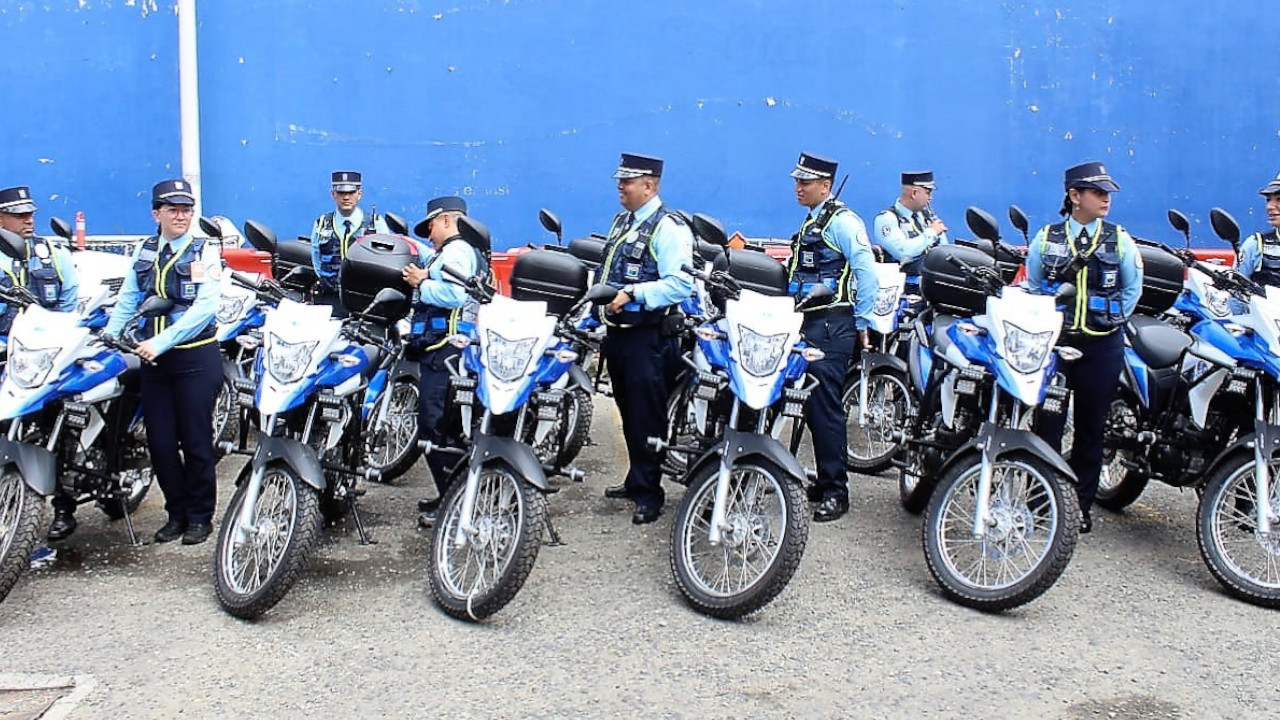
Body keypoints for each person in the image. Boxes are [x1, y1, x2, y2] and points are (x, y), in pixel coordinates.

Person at [1026, 161, 1143, 534]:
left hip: (1102, 347)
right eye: (1097, 192)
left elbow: (1132, 288)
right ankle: (1040, 503)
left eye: (1108, 193)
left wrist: (1108, 321)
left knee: (1092, 429)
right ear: (1074, 196)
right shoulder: (1046, 237)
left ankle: (1079, 506)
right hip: (1056, 347)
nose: (1106, 199)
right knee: (1047, 426)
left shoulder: (1119, 238)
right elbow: (1034, 285)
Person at [104, 179, 223, 545]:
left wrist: (162, 341)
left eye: (187, 210)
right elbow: (129, 297)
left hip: (195, 357)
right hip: (154, 362)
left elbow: (205, 308)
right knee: (160, 442)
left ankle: (200, 517)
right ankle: (176, 513)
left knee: (196, 441)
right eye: (173, 210)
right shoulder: (144, 250)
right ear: (157, 214)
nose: (181, 217)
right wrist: (111, 334)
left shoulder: (204, 251)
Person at [598, 152, 693, 525]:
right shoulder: (622, 221)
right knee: (628, 412)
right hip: (619, 335)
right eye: (620, 181)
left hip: (649, 338)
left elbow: (680, 284)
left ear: (649, 185)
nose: (620, 187)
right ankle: (636, 478)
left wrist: (634, 293)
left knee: (648, 416)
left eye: (628, 181)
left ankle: (651, 494)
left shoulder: (668, 228)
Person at [786, 153, 878, 522]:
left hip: (832, 325)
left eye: (805, 182)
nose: (798, 187)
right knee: (811, 407)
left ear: (826, 186)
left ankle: (836, 492)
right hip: (810, 321)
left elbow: (866, 270)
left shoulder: (843, 221)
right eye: (797, 181)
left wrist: (864, 319)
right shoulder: (815, 218)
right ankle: (825, 480)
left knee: (825, 409)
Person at [0, 186, 82, 541]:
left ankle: (64, 507)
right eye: (19, 215)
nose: (28, 220)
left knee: (59, 429)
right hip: (4, 355)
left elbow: (70, 302)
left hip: (43, 358)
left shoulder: (52, 254)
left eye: (30, 213)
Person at [401, 197, 488, 527]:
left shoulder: (457, 251)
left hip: (446, 351)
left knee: (435, 428)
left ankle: (457, 503)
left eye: (431, 226)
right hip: (448, 350)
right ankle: (451, 495)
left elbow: (455, 295)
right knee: (448, 430)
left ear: (448, 220)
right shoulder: (453, 253)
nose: (429, 235)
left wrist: (421, 283)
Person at [309, 171, 389, 315]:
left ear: (359, 194)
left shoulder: (376, 223)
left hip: (365, 299)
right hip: (330, 297)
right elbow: (316, 258)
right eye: (341, 193)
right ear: (333, 194)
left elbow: (386, 260)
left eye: (351, 192)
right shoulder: (322, 223)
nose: (346, 197)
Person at [872, 171, 949, 285]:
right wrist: (931, 233)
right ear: (914, 193)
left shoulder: (925, 216)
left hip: (931, 282)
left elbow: (944, 250)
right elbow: (903, 252)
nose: (930, 198)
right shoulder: (887, 219)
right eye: (928, 193)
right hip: (904, 285)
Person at [1233, 171, 1280, 285]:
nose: (1269, 207)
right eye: (1268, 200)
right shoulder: (1255, 245)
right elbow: (1234, 292)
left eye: (1279, 199)